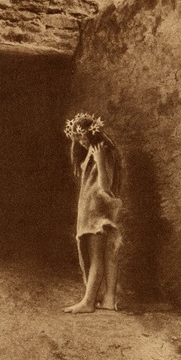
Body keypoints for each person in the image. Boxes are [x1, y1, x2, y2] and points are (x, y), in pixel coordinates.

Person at [63, 112, 123, 314]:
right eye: (77, 138)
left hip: (98, 211)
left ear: (92, 133)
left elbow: (105, 186)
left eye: (83, 136)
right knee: (102, 255)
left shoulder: (102, 151)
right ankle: (108, 300)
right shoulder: (92, 150)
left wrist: (99, 160)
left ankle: (88, 301)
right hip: (91, 210)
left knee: (96, 256)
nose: (80, 141)